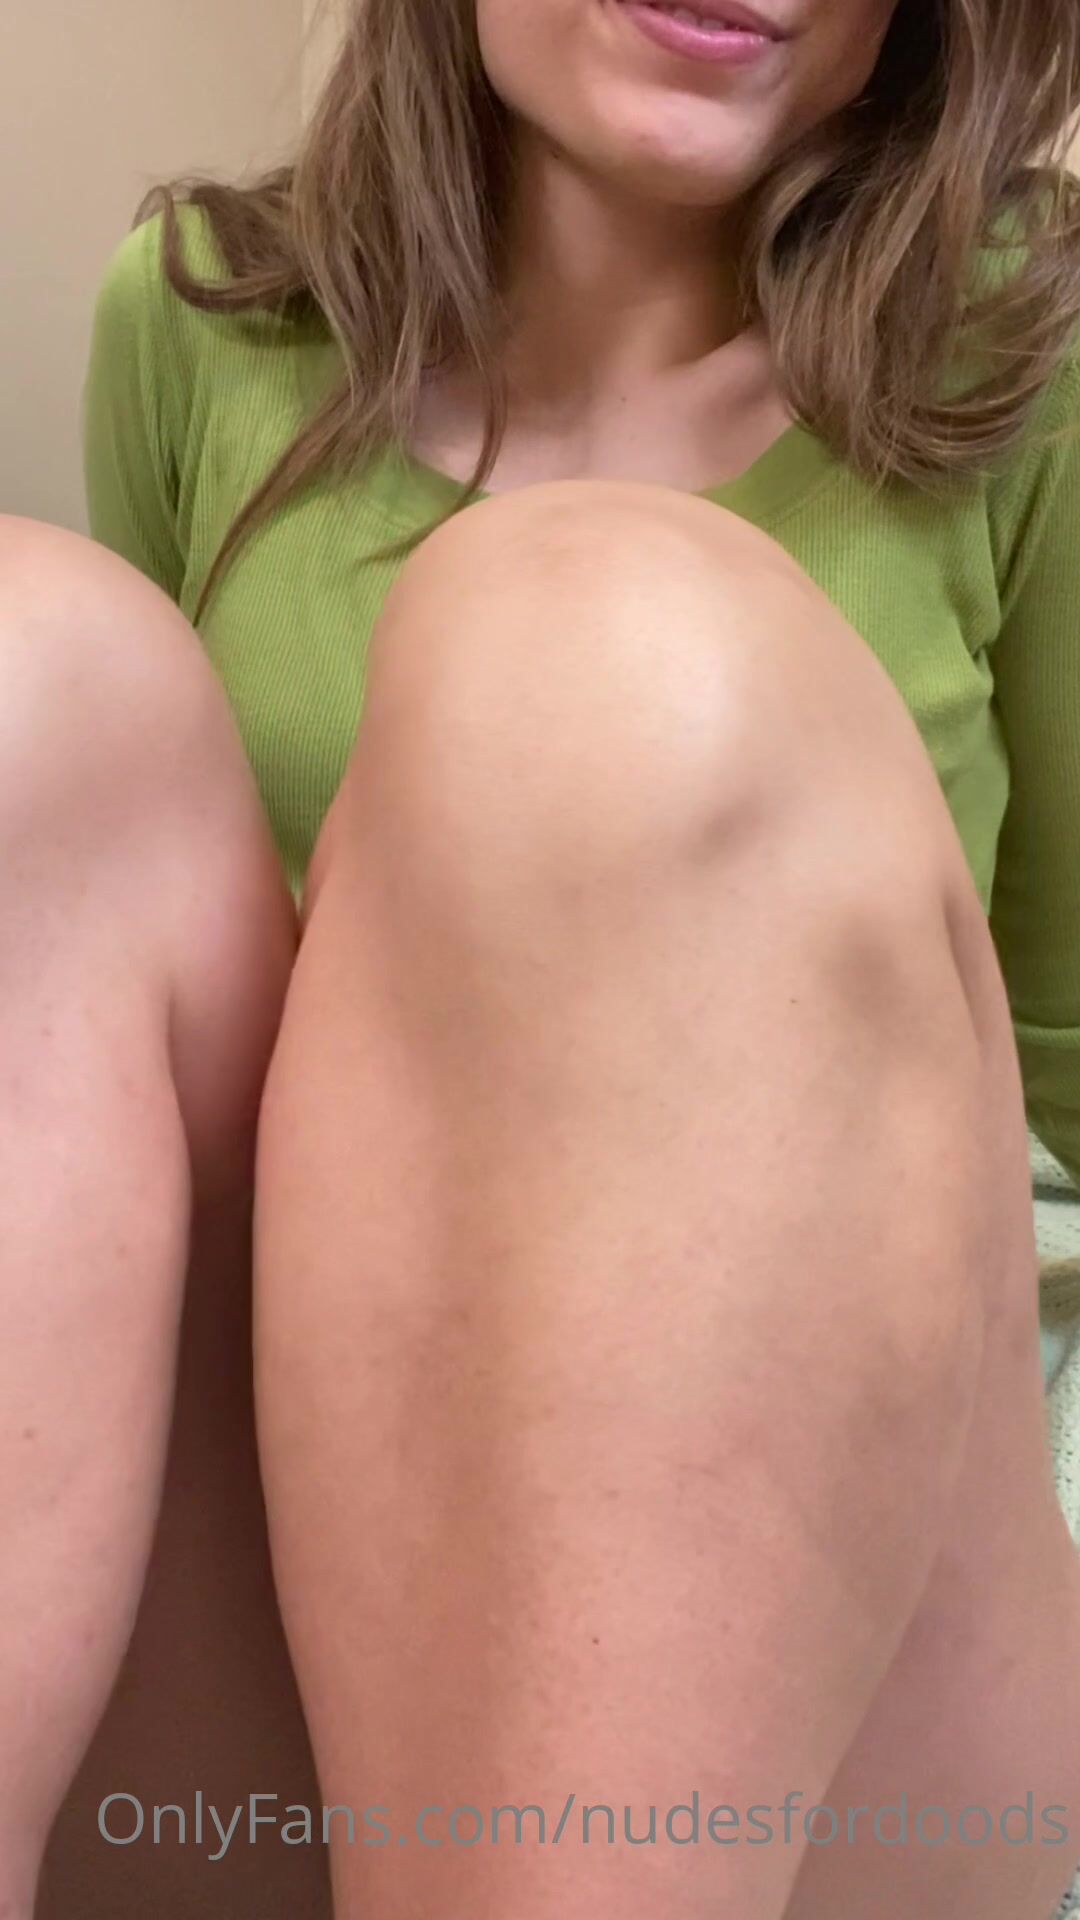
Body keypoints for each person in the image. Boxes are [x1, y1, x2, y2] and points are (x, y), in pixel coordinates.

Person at [7, 0, 1080, 1915]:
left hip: (831, 1632)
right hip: (294, 1554)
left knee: (595, 667)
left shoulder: (1036, 350)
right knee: (27, 676)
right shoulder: (194, 320)